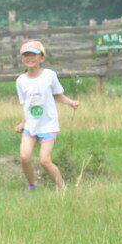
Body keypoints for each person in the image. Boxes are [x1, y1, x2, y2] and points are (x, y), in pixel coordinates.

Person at [14, 40, 80, 191]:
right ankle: (32, 185)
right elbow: (26, 105)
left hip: (48, 125)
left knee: (44, 160)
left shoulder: (50, 75)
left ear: (42, 58)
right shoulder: (20, 81)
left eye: (34, 55)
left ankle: (62, 189)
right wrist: (23, 122)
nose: (30, 58)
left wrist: (70, 102)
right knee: (24, 157)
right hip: (30, 126)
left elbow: (57, 94)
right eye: (26, 55)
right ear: (22, 59)